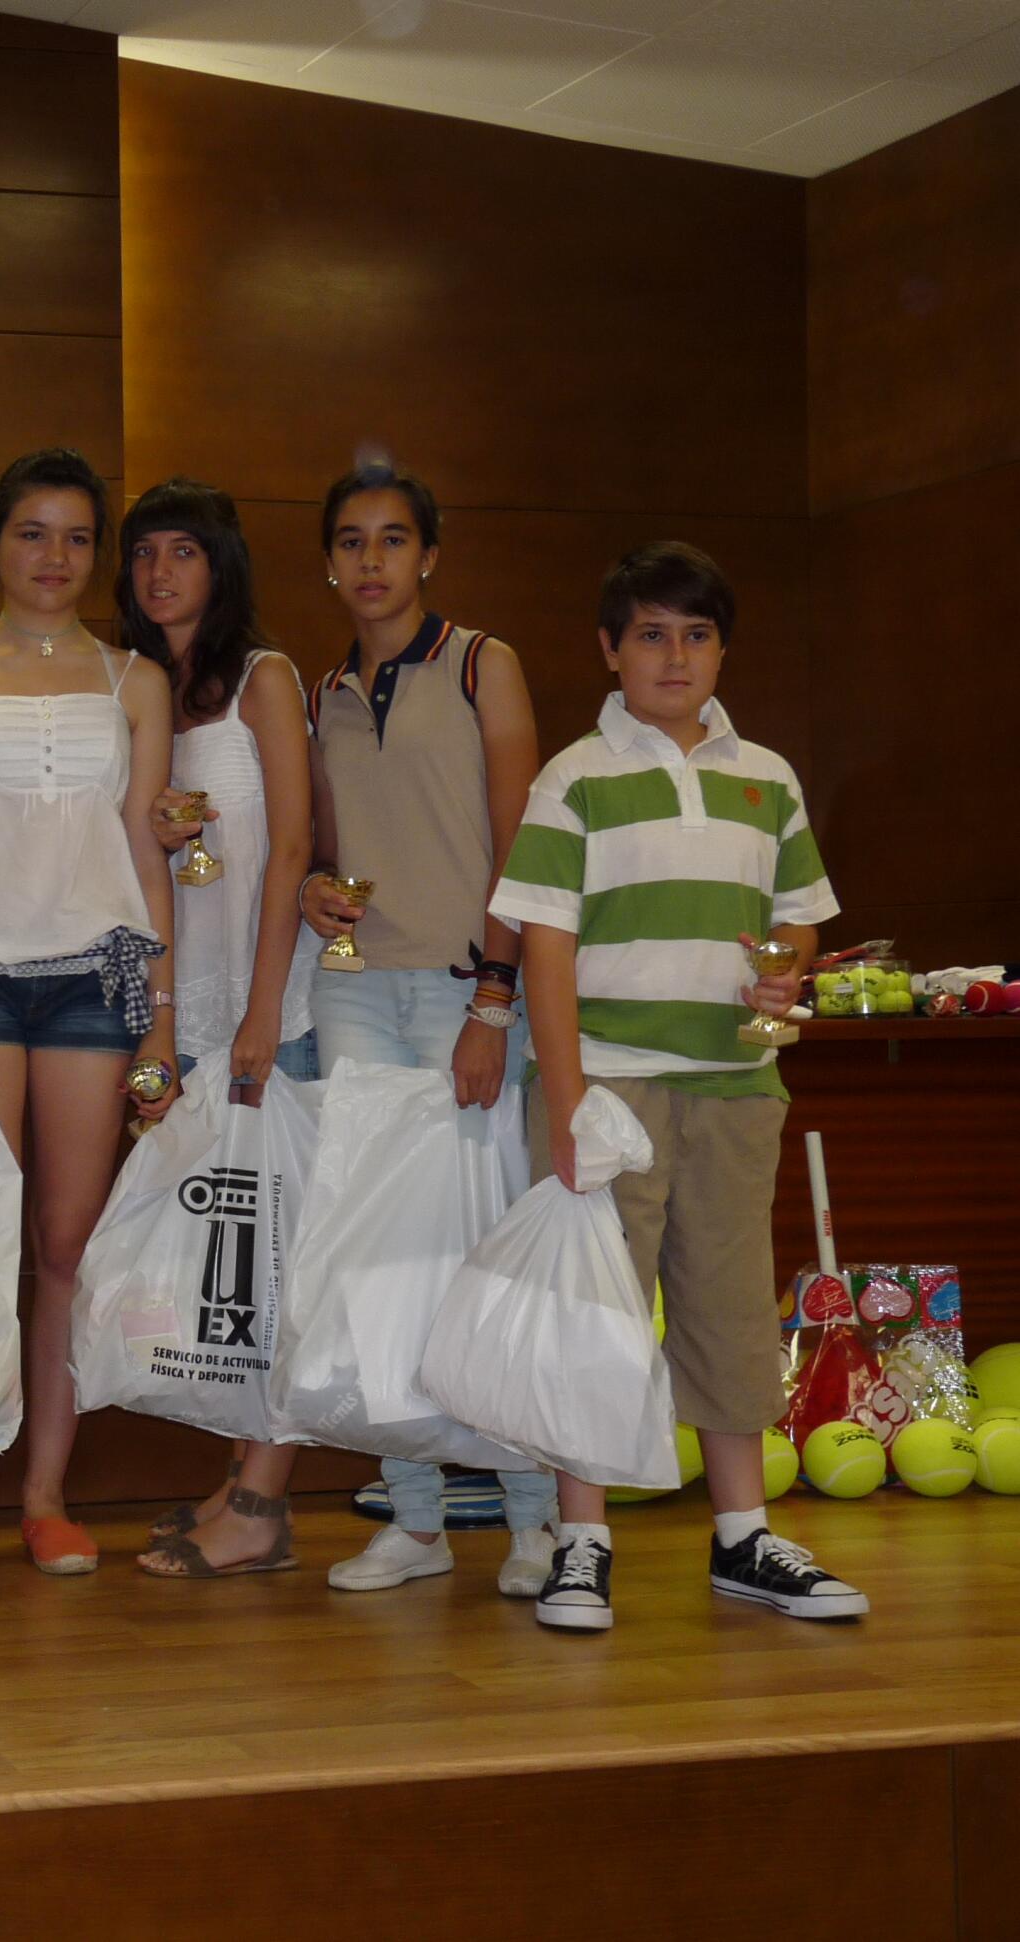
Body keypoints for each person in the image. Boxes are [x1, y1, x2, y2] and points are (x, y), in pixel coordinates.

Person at [493, 542, 865, 1632]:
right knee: (593, 1316)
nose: (675, 655)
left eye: (696, 635)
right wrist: (568, 1100)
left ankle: (743, 1537)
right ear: (609, 651)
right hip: (607, 1088)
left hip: (735, 1085)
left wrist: (786, 969)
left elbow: (798, 918)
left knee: (730, 1309)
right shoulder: (572, 777)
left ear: (721, 651)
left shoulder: (770, 779)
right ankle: (581, 1541)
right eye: (651, 634)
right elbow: (545, 946)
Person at [0, 449, 178, 1580]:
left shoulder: (135, 682)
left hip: (96, 973)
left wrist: (160, 1016)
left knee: (67, 1243)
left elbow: (150, 858)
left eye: (75, 537)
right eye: (31, 533)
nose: (54, 557)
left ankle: (45, 1497)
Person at [300, 463, 559, 1600]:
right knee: (381, 1260)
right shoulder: (322, 691)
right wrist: (311, 887)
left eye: (393, 539)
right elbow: (322, 846)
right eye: (351, 541)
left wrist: (496, 1000)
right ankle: (413, 1520)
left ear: (429, 555)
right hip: (355, 990)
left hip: (466, 993)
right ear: (328, 562)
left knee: (487, 1253)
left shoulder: (479, 662)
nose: (371, 560)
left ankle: (536, 1520)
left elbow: (524, 843)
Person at [113, 479, 320, 1579]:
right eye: (145, 552)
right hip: (182, 1007)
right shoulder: (140, 687)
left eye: (183, 551)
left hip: (266, 1007)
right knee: (224, 1263)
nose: (160, 572)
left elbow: (292, 847)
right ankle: (244, 1487)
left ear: (221, 565)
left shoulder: (263, 677)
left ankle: (261, 1499)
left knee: (278, 1259)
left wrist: (261, 1013)